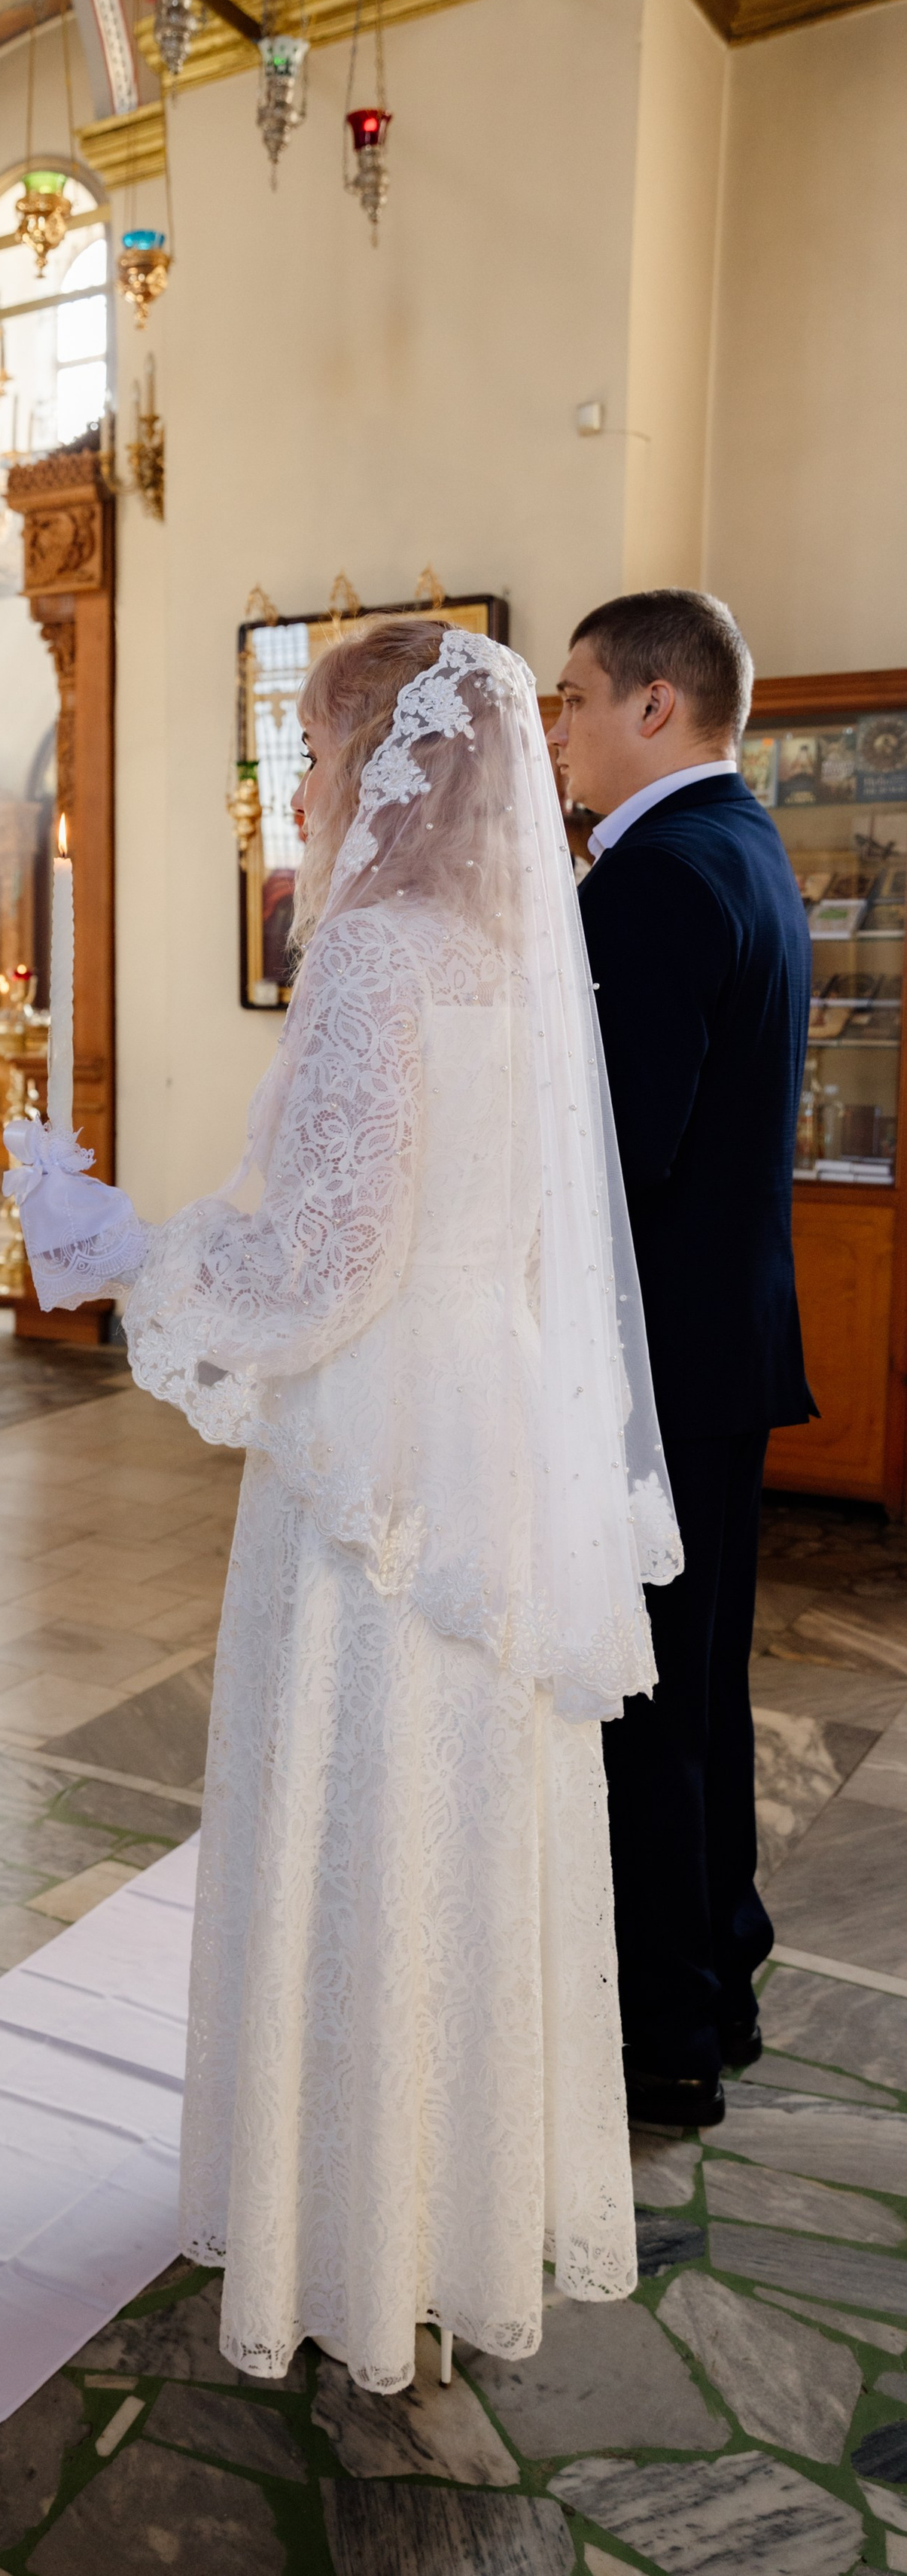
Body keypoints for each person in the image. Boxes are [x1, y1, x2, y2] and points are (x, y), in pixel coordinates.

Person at [8, 622, 674, 2391]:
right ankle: (453, 2197)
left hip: (379, 1447)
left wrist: (127, 1259)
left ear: (386, 758)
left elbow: (329, 1257)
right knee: (461, 1812)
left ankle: (350, 2226)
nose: (292, 787)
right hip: (494, 1426)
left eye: (306, 751)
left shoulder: (376, 955)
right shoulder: (510, 951)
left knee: (356, 1796)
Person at [552, 590, 812, 2130]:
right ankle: (717, 1968)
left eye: (575, 696)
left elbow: (612, 1163)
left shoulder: (647, 880)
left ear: (654, 704)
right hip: (723, 1350)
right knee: (694, 1689)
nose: (558, 727)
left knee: (640, 1708)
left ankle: (661, 2041)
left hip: (649, 1369)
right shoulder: (744, 844)